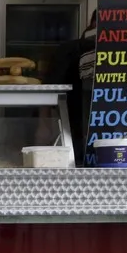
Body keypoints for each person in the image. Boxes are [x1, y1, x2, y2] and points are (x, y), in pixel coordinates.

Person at [37, 10, 97, 166]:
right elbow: (49, 90)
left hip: (107, 133)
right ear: (92, 24)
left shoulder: (122, 53)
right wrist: (44, 126)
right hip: (71, 128)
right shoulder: (69, 50)